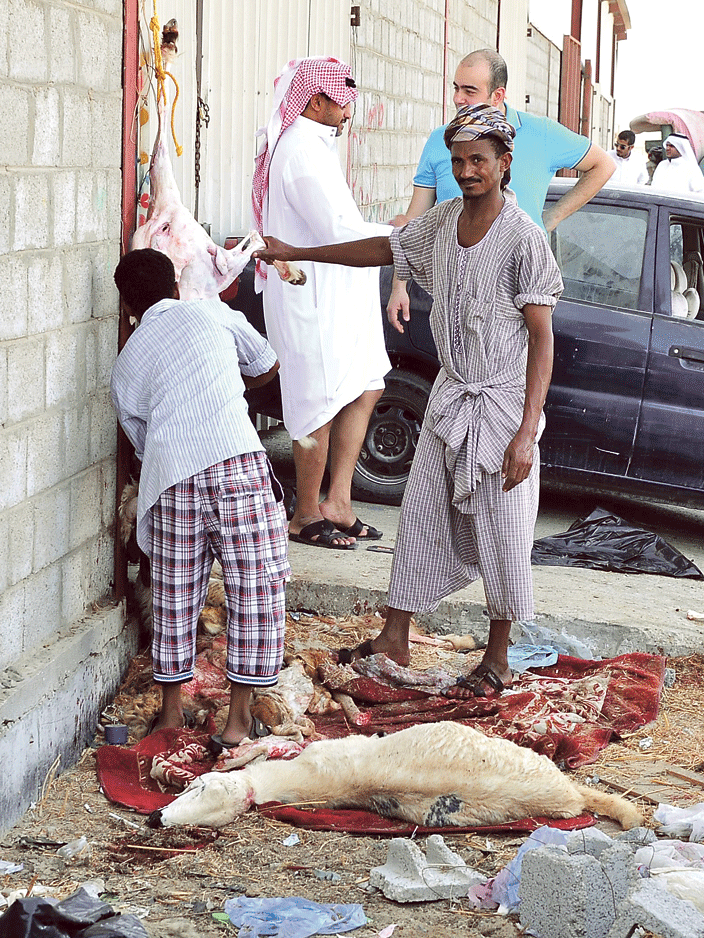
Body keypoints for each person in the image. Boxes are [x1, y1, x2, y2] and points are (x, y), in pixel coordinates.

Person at [256, 104, 563, 698]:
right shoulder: (442, 223)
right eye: (458, 161)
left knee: (503, 533)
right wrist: (298, 251)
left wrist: (527, 433)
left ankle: (497, 657)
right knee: (421, 518)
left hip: (500, 407)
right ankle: (395, 636)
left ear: (504, 164)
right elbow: (381, 248)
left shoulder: (524, 239)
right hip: (451, 399)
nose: (468, 170)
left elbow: (543, 339)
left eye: (479, 160)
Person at [110, 248, 290, 749]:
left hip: (171, 476)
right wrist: (230, 388)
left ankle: (170, 715)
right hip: (235, 459)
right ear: (174, 286)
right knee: (254, 589)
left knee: (174, 594)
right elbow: (266, 363)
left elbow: (141, 441)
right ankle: (237, 721)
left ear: (128, 307)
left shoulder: (126, 365)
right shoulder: (210, 310)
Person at [252, 56, 392, 550]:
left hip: (341, 292)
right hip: (309, 297)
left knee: (366, 384)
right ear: (315, 101)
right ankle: (305, 513)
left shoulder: (315, 146)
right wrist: (395, 234)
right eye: (342, 100)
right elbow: (336, 229)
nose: (349, 110)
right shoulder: (300, 151)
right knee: (318, 401)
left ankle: (339, 502)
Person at [387, 48, 611, 327]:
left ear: (498, 95)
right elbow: (415, 220)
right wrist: (399, 287)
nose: (458, 99)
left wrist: (551, 219)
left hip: (516, 292)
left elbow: (603, 165)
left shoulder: (541, 133)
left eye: (469, 91)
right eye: (456, 88)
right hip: (451, 294)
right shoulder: (439, 140)